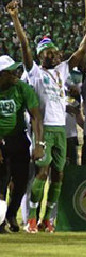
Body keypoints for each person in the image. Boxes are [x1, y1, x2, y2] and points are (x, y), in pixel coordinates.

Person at [7, 0, 86, 233]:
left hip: (62, 130)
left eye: (56, 52)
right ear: (41, 55)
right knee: (42, 173)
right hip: (42, 128)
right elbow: (25, 46)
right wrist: (16, 18)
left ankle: (48, 219)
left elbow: (84, 48)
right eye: (50, 52)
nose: (56, 55)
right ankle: (33, 218)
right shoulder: (35, 72)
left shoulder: (62, 69)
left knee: (58, 175)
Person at [0, 56, 44, 232]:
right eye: (11, 72)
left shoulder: (22, 88)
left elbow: (36, 116)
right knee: (1, 183)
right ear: (1, 74)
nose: (15, 75)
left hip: (18, 139)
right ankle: (1, 222)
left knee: (21, 183)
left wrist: (39, 144)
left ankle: (11, 213)